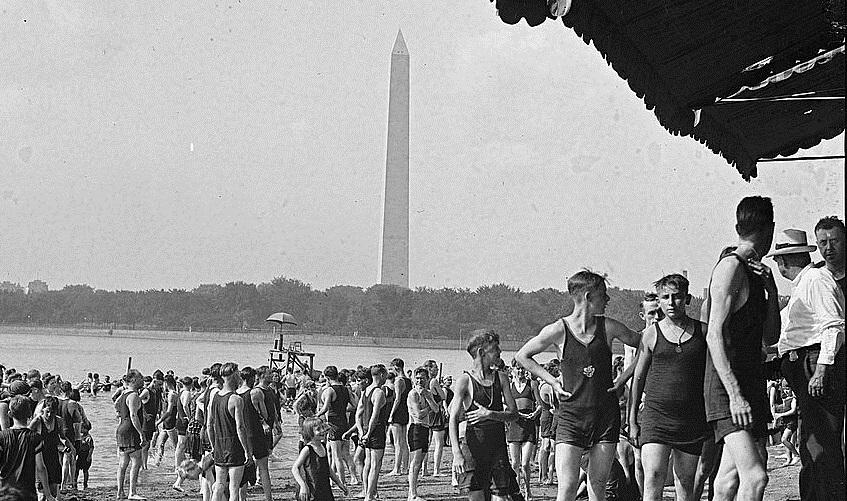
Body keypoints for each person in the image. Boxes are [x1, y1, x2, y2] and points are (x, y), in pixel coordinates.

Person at [515, 270, 642, 501]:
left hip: (605, 417)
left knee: (598, 485)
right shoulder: (559, 329)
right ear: (587, 296)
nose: (608, 300)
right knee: (567, 487)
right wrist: (552, 380)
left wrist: (623, 378)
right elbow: (523, 355)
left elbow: (645, 345)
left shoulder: (609, 327)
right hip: (571, 418)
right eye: (603, 294)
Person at [704, 196, 781, 501]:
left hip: (749, 381)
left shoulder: (757, 274)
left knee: (728, 478)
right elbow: (713, 335)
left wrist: (772, 292)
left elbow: (770, 337)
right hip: (727, 386)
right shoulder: (730, 267)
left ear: (738, 226)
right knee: (756, 476)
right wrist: (734, 395)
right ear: (770, 230)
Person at [771, 223, 845, 500]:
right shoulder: (804, 284)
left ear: (784, 261)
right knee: (811, 446)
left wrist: (822, 370)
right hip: (805, 366)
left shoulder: (815, 280)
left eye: (779, 259)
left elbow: (834, 327)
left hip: (815, 365)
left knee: (821, 448)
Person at [629, 273, 708, 501]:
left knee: (685, 481)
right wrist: (632, 420)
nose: (671, 303)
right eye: (666, 297)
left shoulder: (702, 332)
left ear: (688, 298)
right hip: (656, 418)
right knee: (653, 476)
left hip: (691, 419)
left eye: (677, 297)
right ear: (660, 300)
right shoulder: (651, 333)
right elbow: (638, 378)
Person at [449, 329, 521, 501]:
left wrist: (490, 414)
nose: (500, 352)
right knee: (477, 497)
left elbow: (514, 414)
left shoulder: (502, 378)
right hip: (473, 449)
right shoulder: (465, 381)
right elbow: (452, 419)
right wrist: (456, 454)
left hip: (497, 447)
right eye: (495, 348)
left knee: (501, 497)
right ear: (482, 352)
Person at [207, 362, 252, 501]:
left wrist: (214, 446)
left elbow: (209, 425)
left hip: (220, 446)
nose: (239, 375)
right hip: (234, 447)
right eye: (237, 372)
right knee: (234, 488)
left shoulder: (215, 397)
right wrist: (247, 451)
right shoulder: (236, 399)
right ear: (233, 374)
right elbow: (240, 427)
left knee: (219, 485)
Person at [0, 396, 54, 501]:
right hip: (27, 493)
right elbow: (41, 468)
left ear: (10, 414)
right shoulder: (35, 438)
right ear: (29, 414)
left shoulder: (2, 437)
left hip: (4, 493)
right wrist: (48, 494)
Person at [316, 366, 356, 490]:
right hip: (345, 423)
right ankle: (353, 477)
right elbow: (354, 405)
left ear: (327, 378)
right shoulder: (346, 389)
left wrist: (316, 415)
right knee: (346, 453)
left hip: (334, 424)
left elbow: (326, 407)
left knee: (336, 456)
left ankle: (342, 482)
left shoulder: (329, 390)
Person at [291, 417, 349, 501]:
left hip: (325, 489)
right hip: (312, 490)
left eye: (322, 427)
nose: (322, 431)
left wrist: (339, 483)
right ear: (310, 433)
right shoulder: (307, 449)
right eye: (318, 429)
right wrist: (303, 486)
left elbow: (328, 469)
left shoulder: (323, 446)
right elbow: (295, 468)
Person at [236, 367, 271, 501]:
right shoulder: (255, 393)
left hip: (243, 434)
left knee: (244, 468)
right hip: (256, 433)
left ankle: (242, 498)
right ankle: (268, 498)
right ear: (252, 378)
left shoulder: (235, 393)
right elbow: (265, 414)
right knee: (263, 469)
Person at [506, 363, 540, 500]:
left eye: (522, 368)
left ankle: (528, 490)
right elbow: (506, 406)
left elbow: (540, 405)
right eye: (517, 368)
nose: (520, 371)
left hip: (528, 426)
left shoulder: (532, 384)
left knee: (525, 463)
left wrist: (535, 414)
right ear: (513, 370)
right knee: (514, 463)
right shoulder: (509, 386)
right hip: (514, 425)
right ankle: (517, 491)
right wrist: (515, 414)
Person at [406, 366, 439, 501]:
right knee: (415, 462)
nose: (419, 381)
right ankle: (411, 494)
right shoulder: (413, 394)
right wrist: (429, 409)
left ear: (427, 379)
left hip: (426, 428)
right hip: (415, 428)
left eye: (422, 378)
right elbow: (418, 415)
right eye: (417, 378)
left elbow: (436, 408)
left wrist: (428, 399)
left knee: (419, 462)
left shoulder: (427, 392)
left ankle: (414, 491)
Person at [115, 369, 146, 500]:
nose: (143, 380)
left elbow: (116, 407)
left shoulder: (122, 394)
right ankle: (132, 492)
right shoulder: (133, 395)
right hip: (130, 430)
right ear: (133, 380)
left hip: (121, 428)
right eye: (140, 378)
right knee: (136, 461)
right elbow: (133, 416)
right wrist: (141, 434)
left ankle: (120, 492)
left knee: (123, 463)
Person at [27, 397, 66, 501]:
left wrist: (68, 446)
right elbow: (26, 435)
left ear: (56, 411)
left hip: (53, 458)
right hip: (39, 458)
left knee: (53, 490)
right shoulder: (38, 421)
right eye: (47, 411)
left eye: (52, 412)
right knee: (41, 493)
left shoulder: (59, 421)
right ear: (43, 409)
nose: (49, 415)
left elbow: (62, 437)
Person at [360, 365, 389, 501]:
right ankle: (369, 496)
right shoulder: (379, 392)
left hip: (366, 430)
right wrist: (368, 433)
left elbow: (358, 414)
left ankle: (368, 492)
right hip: (375, 431)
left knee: (368, 463)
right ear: (382, 375)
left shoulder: (366, 390)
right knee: (375, 465)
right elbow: (375, 416)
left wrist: (362, 432)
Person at [424, 360, 448, 477]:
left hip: (426, 413)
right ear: (430, 369)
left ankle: (424, 469)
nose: (437, 370)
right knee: (439, 443)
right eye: (435, 368)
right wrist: (440, 387)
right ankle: (436, 470)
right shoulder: (433, 381)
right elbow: (443, 396)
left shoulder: (422, 382)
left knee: (426, 443)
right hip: (436, 412)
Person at [388, 358, 412, 476]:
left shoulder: (398, 381)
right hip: (405, 411)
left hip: (398, 412)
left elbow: (397, 399)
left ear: (396, 367)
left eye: (392, 368)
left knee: (397, 442)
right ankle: (405, 467)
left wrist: (391, 414)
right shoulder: (408, 380)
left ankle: (396, 469)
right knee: (404, 441)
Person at [537, 361, 560, 485]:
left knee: (551, 447)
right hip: (548, 417)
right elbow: (552, 405)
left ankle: (548, 474)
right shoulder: (547, 386)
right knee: (546, 446)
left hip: (551, 416)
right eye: (556, 371)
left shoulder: (549, 384)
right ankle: (544, 474)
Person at [769, 379, 798, 467]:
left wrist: (780, 414)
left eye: (788, 389)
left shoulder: (793, 399)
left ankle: (796, 455)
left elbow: (793, 411)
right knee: (786, 441)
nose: (786, 391)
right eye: (785, 389)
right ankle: (789, 459)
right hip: (785, 422)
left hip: (791, 422)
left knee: (784, 439)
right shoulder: (784, 399)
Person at [154, 375, 179, 468]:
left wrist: (158, 421)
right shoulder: (168, 393)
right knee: (160, 444)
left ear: (167, 383)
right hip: (166, 423)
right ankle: (157, 464)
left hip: (170, 423)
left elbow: (169, 411)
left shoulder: (172, 394)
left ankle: (180, 466)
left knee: (176, 446)